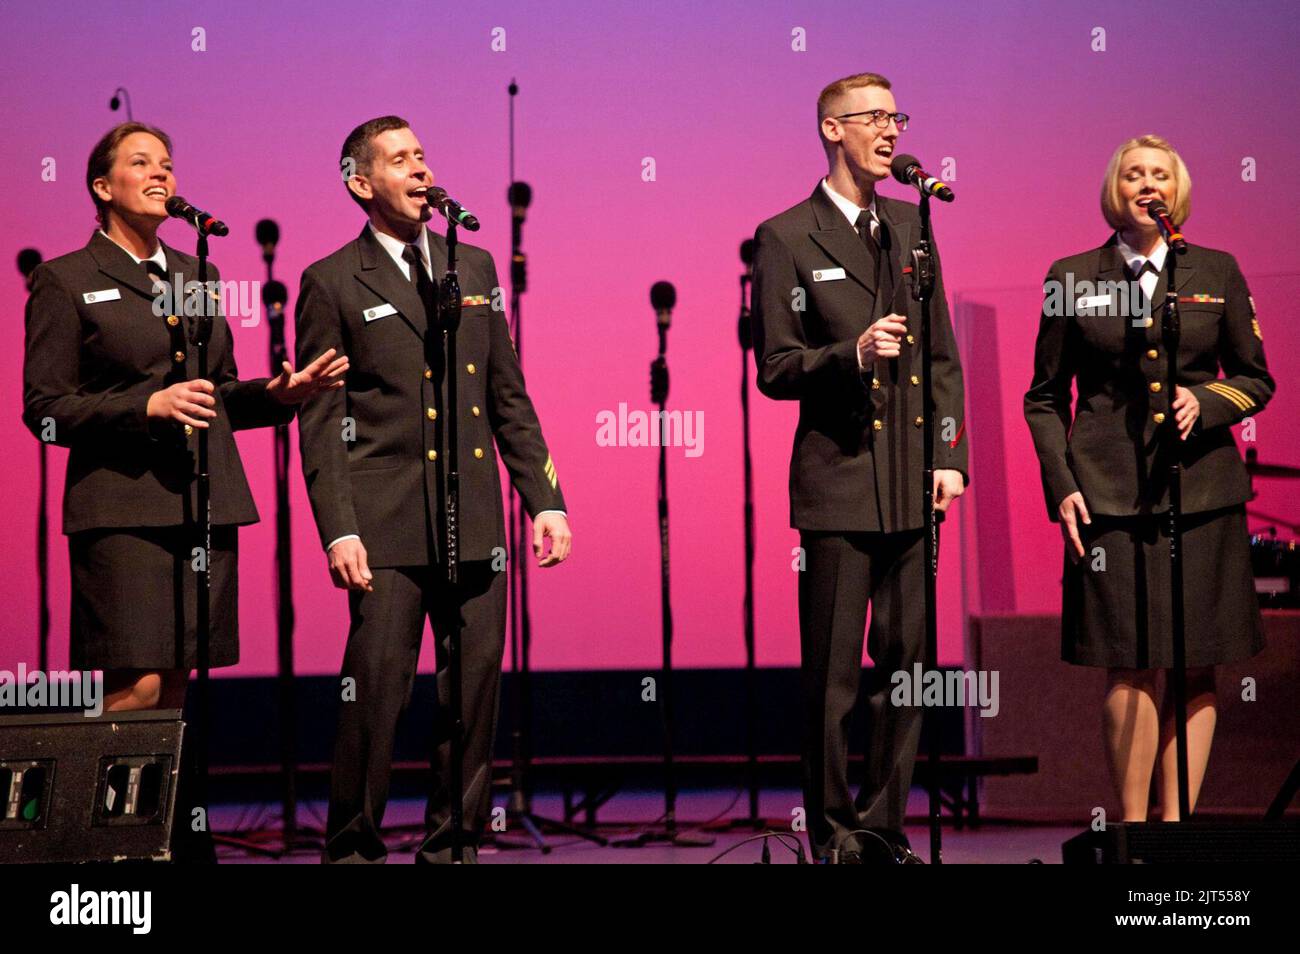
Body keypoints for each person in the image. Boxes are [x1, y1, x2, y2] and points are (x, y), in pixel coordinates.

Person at [295, 116, 571, 864]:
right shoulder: (330, 281)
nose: (419, 170)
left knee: (471, 700)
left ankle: (455, 849)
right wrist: (338, 528)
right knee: (376, 701)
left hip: (475, 518)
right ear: (361, 183)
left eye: (422, 156)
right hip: (383, 528)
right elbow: (320, 422)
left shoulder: (473, 267)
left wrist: (545, 497)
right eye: (398, 160)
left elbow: (508, 394)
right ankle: (353, 849)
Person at [22, 121, 346, 712]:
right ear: (102, 187)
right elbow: (45, 409)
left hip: (202, 504)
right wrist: (145, 407)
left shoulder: (199, 276)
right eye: (142, 163)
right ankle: (75, 806)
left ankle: (159, 811)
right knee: (136, 687)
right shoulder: (64, 279)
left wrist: (276, 395)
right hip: (124, 511)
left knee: (173, 689)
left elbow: (214, 393)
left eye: (166, 164)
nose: (160, 173)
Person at [1024, 134, 1273, 822]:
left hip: (1203, 496)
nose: (1147, 184)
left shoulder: (1216, 270)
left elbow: (1257, 377)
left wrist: (1212, 403)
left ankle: (1176, 833)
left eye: (1159, 175)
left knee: (1197, 664)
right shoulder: (1070, 274)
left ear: (1176, 191)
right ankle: (1131, 837)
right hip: (1108, 498)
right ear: (1115, 189)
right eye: (1133, 174)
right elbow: (1044, 397)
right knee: (1128, 661)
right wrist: (1062, 484)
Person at [751, 74, 968, 863]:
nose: (890, 130)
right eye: (873, 118)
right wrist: (850, 354)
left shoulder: (913, 225)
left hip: (912, 480)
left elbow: (942, 356)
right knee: (835, 679)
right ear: (830, 130)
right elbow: (775, 366)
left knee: (906, 671)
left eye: (896, 116)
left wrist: (950, 457)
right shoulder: (786, 234)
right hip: (838, 484)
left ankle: (884, 831)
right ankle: (836, 835)